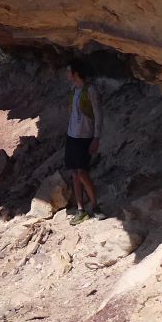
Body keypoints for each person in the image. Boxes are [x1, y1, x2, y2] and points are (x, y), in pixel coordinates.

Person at [63, 57, 103, 222]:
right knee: (74, 173)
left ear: (76, 73)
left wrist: (96, 138)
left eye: (68, 71)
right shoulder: (73, 91)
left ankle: (95, 206)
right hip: (72, 136)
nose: (66, 74)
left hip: (84, 137)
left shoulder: (90, 90)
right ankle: (81, 209)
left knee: (82, 173)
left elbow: (99, 114)